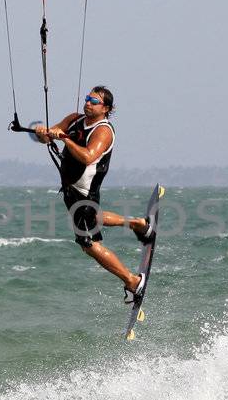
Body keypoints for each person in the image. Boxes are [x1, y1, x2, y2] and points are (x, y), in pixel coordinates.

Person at [35, 86, 153, 301]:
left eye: (94, 101)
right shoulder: (74, 119)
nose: (88, 102)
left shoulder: (103, 131)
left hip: (84, 191)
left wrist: (65, 139)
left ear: (106, 108)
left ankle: (132, 281)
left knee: (88, 243)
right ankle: (138, 224)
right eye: (88, 98)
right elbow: (50, 137)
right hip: (71, 189)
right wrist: (43, 133)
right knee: (94, 218)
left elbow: (88, 157)